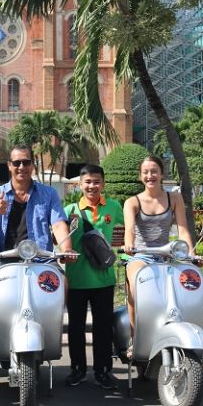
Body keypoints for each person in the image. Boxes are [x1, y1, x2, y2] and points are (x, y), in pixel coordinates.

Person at [0, 144, 76, 357]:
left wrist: (66, 249)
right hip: (4, 257)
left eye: (26, 162)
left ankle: (50, 327)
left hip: (40, 258)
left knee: (62, 283)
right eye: (16, 163)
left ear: (33, 165)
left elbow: (58, 224)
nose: (21, 167)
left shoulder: (47, 194)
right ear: (9, 166)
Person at [123, 155, 196, 353]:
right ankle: (134, 335)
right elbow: (129, 230)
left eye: (154, 171)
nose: (150, 176)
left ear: (162, 174)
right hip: (142, 254)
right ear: (140, 176)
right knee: (136, 287)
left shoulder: (175, 198)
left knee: (188, 287)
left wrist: (192, 254)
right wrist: (129, 245)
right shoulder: (132, 202)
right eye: (145, 172)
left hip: (167, 255)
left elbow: (183, 230)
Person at [64, 165, 124, 389]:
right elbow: (59, 239)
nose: (92, 186)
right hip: (77, 279)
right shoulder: (69, 210)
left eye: (96, 181)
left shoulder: (114, 207)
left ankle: (103, 371)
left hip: (104, 279)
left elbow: (130, 229)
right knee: (76, 327)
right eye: (87, 182)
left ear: (103, 183)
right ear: (80, 185)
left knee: (103, 327)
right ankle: (77, 369)